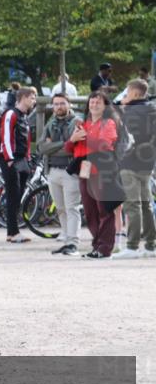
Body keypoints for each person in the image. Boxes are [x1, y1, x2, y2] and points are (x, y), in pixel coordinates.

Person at [65, 91, 120, 258]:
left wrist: (86, 137)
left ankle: (104, 249)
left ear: (105, 106)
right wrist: (73, 139)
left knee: (104, 210)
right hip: (84, 171)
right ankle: (96, 245)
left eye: (98, 102)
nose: (94, 104)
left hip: (102, 171)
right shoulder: (84, 123)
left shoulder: (108, 123)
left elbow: (104, 145)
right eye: (92, 101)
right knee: (90, 212)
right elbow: (69, 149)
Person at [112, 79, 156, 259]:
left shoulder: (128, 111)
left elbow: (123, 137)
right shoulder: (153, 109)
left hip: (129, 162)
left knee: (132, 204)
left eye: (127, 92)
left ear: (135, 94)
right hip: (147, 163)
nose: (125, 96)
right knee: (146, 204)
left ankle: (131, 246)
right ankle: (151, 245)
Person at [39, 92, 82, 256]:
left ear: (69, 104)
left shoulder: (76, 121)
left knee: (72, 208)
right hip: (53, 171)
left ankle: (73, 243)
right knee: (61, 209)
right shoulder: (50, 122)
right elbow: (42, 147)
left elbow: (71, 150)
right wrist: (66, 143)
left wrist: (56, 146)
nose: (59, 107)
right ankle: (66, 240)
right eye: (56, 104)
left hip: (71, 171)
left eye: (62, 103)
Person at [0, 87, 36, 243]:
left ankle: (12, 231)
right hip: (11, 159)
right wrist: (9, 159)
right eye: (33, 98)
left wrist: (27, 158)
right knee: (13, 195)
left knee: (18, 196)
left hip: (22, 160)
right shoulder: (11, 113)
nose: (34, 101)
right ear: (24, 97)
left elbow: (26, 139)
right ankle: (13, 232)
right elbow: (5, 136)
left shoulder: (24, 116)